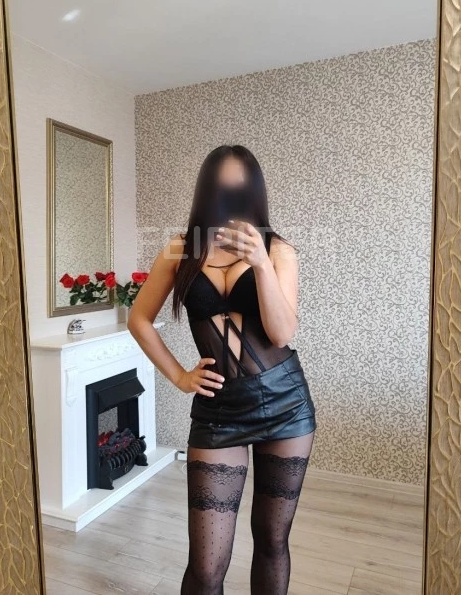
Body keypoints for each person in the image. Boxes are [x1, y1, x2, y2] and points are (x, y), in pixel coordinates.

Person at [128, 144, 317, 595]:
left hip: (285, 403)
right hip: (218, 411)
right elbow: (139, 319)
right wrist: (179, 376)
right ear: (206, 191)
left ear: (255, 193)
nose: (231, 199)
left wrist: (261, 264)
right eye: (222, 189)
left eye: (241, 189)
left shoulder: (278, 250)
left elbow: (281, 333)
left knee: (271, 540)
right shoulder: (180, 250)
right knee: (206, 565)